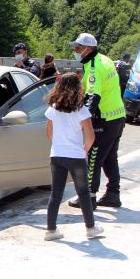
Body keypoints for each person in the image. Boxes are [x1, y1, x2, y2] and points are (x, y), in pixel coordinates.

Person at [67, 33, 126, 210]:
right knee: (110, 158)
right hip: (117, 116)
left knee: (93, 158)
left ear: (88, 49)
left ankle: (89, 198)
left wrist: (82, 119)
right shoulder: (105, 59)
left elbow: (93, 97)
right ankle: (113, 195)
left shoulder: (93, 67)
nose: (75, 52)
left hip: (104, 119)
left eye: (78, 48)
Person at [44, 72, 104, 241]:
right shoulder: (82, 110)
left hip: (57, 155)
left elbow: (49, 133)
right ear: (78, 88)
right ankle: (90, 228)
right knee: (83, 192)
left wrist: (59, 145)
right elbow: (91, 136)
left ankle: (50, 230)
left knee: (55, 194)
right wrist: (83, 151)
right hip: (76, 157)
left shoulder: (52, 109)